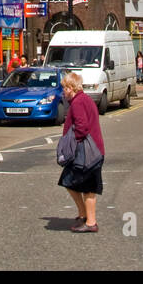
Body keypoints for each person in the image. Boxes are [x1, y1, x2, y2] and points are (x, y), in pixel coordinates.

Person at [56, 72, 104, 233]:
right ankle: (84, 214)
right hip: (92, 150)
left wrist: (70, 143)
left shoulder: (77, 103)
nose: (63, 91)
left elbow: (81, 128)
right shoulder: (84, 99)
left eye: (64, 88)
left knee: (87, 187)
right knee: (71, 182)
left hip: (88, 152)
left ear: (71, 88)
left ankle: (91, 222)